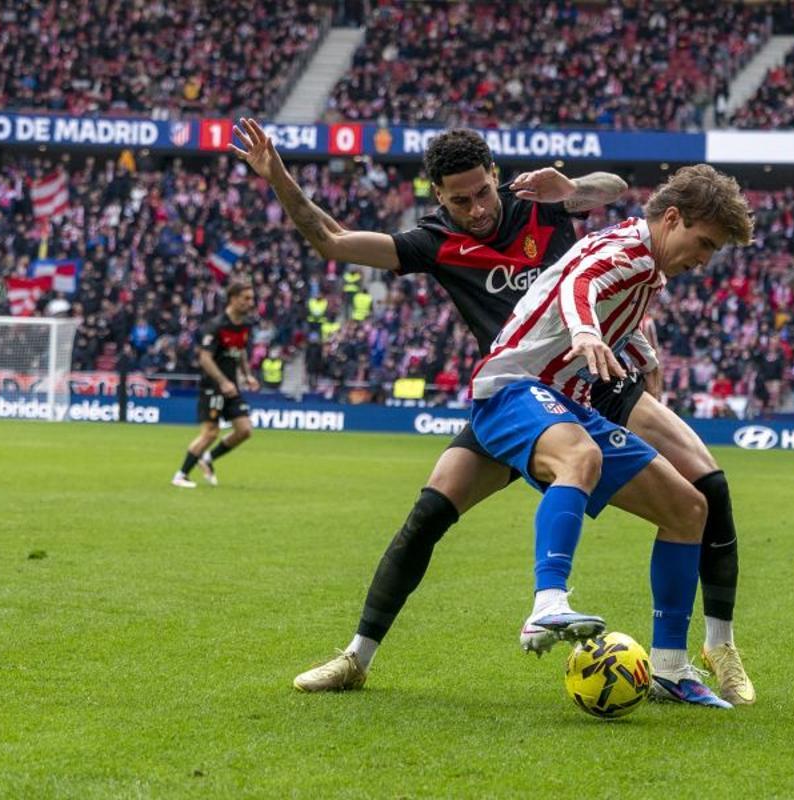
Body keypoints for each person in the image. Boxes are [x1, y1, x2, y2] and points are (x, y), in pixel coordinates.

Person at [230, 119, 755, 705]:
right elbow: (331, 240)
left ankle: (691, 657)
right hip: (515, 384)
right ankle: (358, 656)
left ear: (497, 179)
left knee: (698, 497)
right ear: (439, 197)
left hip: (584, 385)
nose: (477, 208)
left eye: (483, 192)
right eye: (460, 200)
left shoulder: (544, 206)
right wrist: (277, 175)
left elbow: (618, 193)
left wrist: (573, 186)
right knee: (428, 515)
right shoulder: (433, 242)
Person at [468, 164, 755, 705]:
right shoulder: (629, 251)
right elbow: (581, 282)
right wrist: (583, 332)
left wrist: (642, 354)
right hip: (513, 387)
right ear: (672, 219)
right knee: (580, 456)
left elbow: (614, 307)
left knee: (689, 508)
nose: (704, 259)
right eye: (704, 243)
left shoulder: (649, 270)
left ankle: (669, 667)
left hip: (567, 403)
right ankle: (547, 603)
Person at [172, 279, 259, 488]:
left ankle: (208, 458)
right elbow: (204, 358)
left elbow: (241, 352)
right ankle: (181, 475)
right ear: (233, 299)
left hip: (231, 386)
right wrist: (222, 381)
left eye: (252, 298)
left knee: (245, 430)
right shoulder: (216, 325)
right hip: (213, 386)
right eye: (246, 298)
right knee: (210, 432)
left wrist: (247, 375)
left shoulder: (245, 325)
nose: (250, 303)